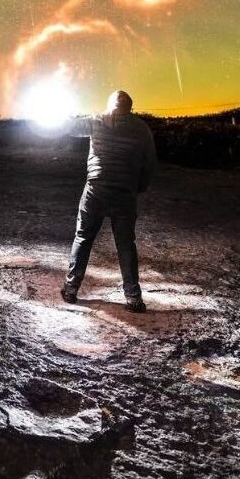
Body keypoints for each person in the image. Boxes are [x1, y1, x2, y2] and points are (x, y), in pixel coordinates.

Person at [62, 89, 157, 312]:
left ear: (110, 105)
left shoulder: (97, 121)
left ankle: (71, 289)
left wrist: (63, 114)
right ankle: (133, 298)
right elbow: (150, 162)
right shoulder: (141, 128)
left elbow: (68, 128)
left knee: (83, 237)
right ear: (130, 108)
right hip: (125, 193)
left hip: (96, 189)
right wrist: (139, 187)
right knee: (126, 244)